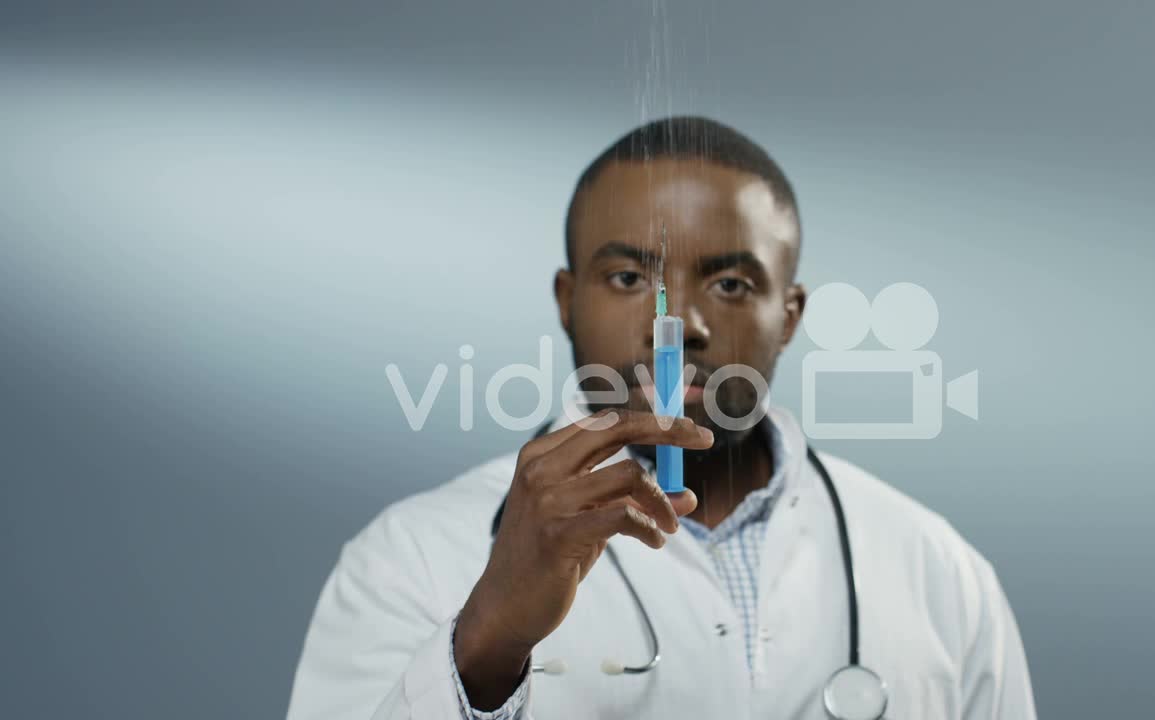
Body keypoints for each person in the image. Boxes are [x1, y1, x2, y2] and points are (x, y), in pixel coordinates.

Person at [286, 116, 1036, 719]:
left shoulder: (939, 571)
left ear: (792, 315)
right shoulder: (412, 559)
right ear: (566, 299)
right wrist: (488, 638)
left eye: (734, 283)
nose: (677, 324)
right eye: (627, 276)